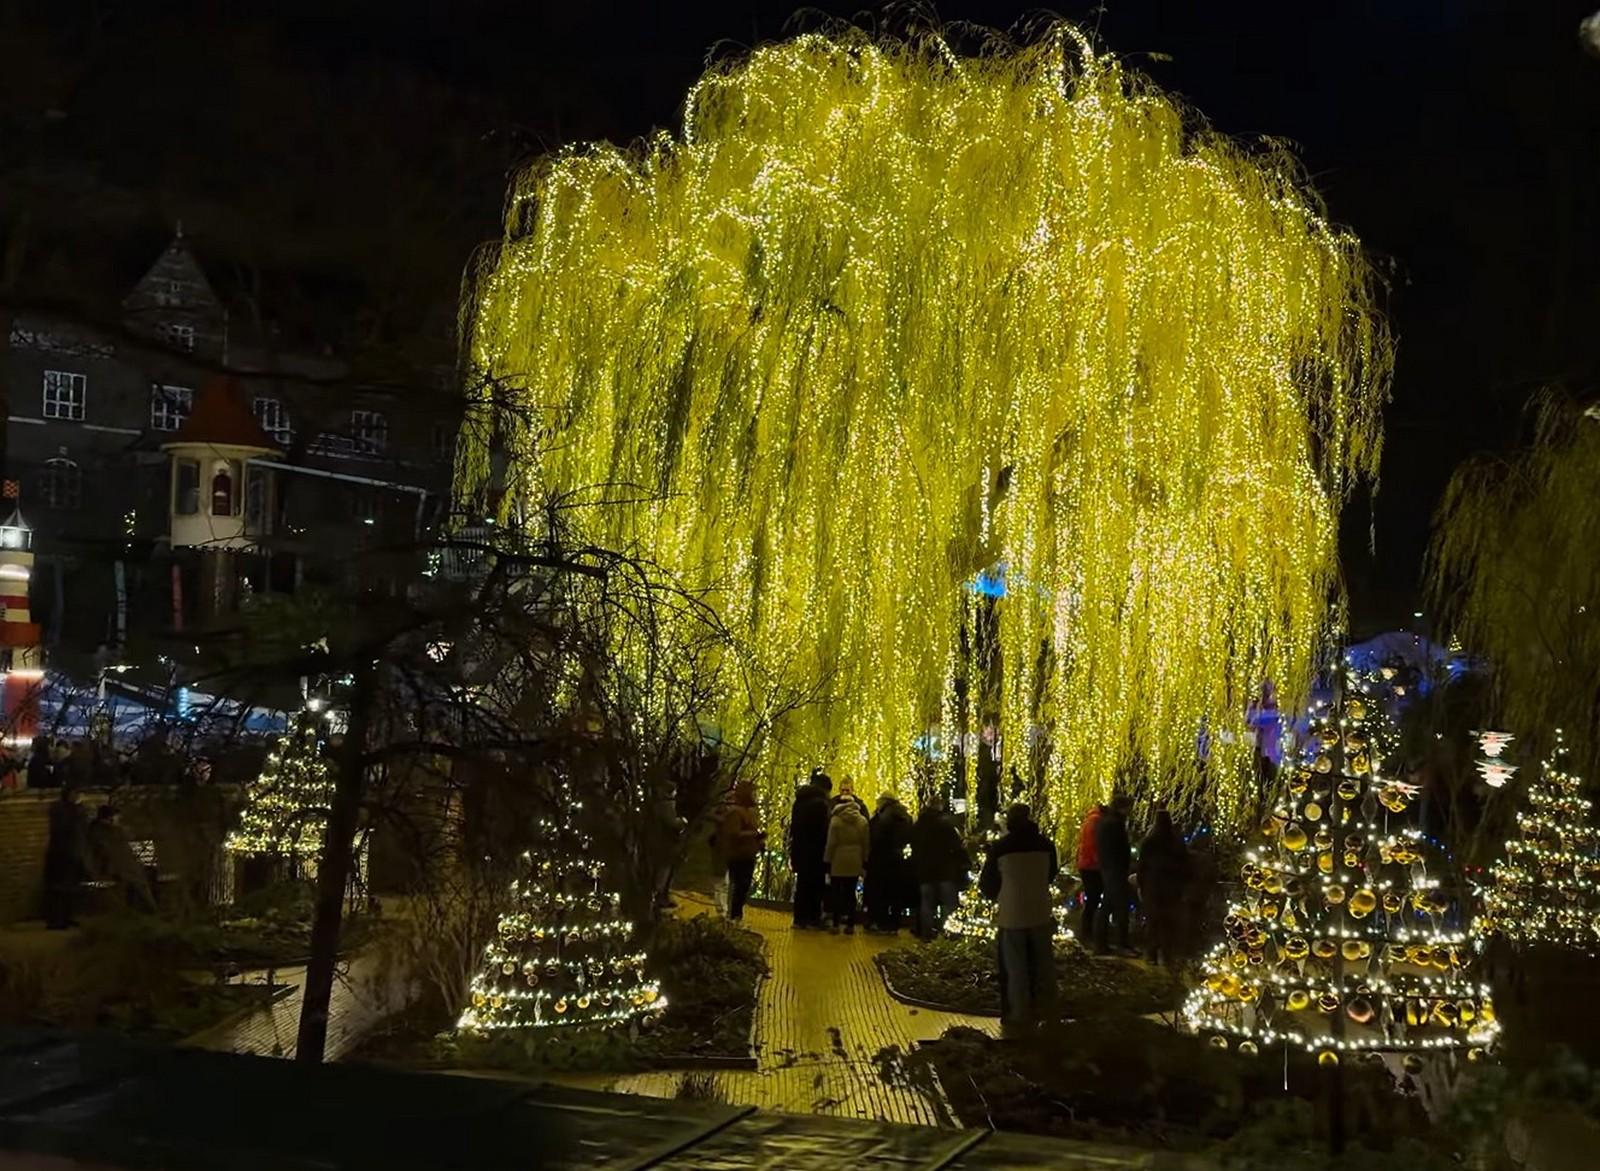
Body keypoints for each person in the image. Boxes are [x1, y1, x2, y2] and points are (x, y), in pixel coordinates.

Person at [978, 803, 1059, 1034]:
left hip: (1012, 913)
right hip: (1040, 911)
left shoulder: (1002, 848)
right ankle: (1049, 1010)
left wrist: (1001, 895)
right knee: (1044, 963)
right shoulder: (1045, 845)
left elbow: (988, 883)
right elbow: (1050, 874)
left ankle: (1019, 1014)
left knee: (1015, 967)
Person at [1134, 806, 1190, 965]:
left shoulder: (1149, 841)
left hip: (1153, 886)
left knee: (1153, 921)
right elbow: (1185, 865)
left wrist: (1141, 884)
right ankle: (1167, 955)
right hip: (1171, 887)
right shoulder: (1176, 841)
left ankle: (1151, 954)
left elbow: (1142, 865)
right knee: (1168, 922)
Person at [911, 797, 969, 939]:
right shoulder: (945, 825)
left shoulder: (919, 825)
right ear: (940, 807)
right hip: (945, 870)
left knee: (927, 903)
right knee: (949, 904)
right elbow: (956, 847)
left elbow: (914, 846)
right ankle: (951, 934)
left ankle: (927, 934)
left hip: (925, 871)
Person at [87, 805, 154, 912]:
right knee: (137, 878)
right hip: (110, 868)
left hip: (119, 866)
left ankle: (144, 909)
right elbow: (108, 852)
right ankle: (150, 909)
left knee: (138, 877)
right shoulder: (103, 832)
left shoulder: (110, 831)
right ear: (110, 818)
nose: (119, 820)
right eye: (117, 817)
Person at [787, 771, 832, 929]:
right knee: (815, 886)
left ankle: (799, 918)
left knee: (802, 885)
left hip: (800, 849)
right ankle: (813, 918)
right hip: (816, 851)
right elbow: (822, 831)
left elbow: (794, 827)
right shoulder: (821, 804)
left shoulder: (799, 801)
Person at [865, 795, 913, 933]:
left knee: (881, 893)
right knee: (895, 894)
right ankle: (894, 924)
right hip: (899, 860)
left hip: (882, 860)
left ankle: (881, 923)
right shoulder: (905, 817)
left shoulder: (883, 818)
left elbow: (877, 838)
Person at [823, 793, 870, 934]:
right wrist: (864, 859)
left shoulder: (836, 821)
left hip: (838, 858)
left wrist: (827, 859)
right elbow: (866, 843)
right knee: (851, 892)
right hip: (855, 858)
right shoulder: (862, 821)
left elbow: (831, 843)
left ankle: (836, 924)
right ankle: (850, 923)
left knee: (836, 891)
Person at [1094, 794, 1135, 955]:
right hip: (1114, 869)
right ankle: (1121, 944)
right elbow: (1118, 848)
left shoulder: (1108, 822)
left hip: (1110, 868)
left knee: (1108, 906)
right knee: (1118, 907)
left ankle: (1103, 944)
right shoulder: (1113, 824)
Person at [720, 780, 766, 921]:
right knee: (739, 886)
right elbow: (734, 833)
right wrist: (754, 835)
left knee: (743, 887)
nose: (755, 796)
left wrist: (759, 842)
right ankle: (734, 916)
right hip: (739, 855)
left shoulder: (750, 812)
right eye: (753, 793)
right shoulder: (736, 812)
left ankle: (737, 915)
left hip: (748, 854)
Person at [42, 788, 88, 929]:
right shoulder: (59, 809)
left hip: (71, 853)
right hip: (60, 853)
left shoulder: (73, 809)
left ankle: (67, 917)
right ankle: (56, 920)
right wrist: (77, 808)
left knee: (70, 888)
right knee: (58, 889)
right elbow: (64, 827)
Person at [1075, 801, 1104, 938]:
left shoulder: (1088, 820)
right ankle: (1087, 931)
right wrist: (1099, 860)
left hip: (1084, 863)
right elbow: (1093, 844)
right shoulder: (1097, 822)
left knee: (1092, 897)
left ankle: (1087, 930)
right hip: (1091, 864)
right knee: (1094, 897)